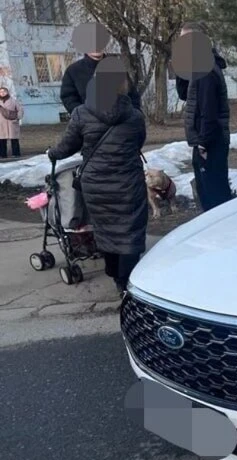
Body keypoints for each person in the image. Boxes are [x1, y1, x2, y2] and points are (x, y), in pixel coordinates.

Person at [48, 58, 148, 294]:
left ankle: (114, 273)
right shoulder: (135, 116)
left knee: (106, 229)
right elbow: (138, 142)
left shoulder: (82, 113)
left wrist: (52, 153)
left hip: (96, 184)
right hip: (128, 182)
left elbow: (67, 145)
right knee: (130, 230)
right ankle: (127, 280)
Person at [177, 22, 232, 211]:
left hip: (210, 141)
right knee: (207, 192)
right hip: (203, 139)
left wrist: (203, 143)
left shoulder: (206, 70)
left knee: (214, 197)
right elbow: (185, 94)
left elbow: (209, 111)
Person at [61, 50, 141, 115]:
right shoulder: (74, 71)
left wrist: (132, 116)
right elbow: (68, 98)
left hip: (121, 125)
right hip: (90, 127)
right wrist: (84, 117)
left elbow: (132, 95)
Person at [0, 86, 24, 158]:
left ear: (7, 92)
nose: (2, 93)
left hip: (12, 123)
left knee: (14, 139)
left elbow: (20, 110)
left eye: (4, 91)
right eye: (1, 92)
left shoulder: (13, 101)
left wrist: (17, 118)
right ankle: (2, 155)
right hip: (1, 124)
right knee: (1, 140)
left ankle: (16, 154)